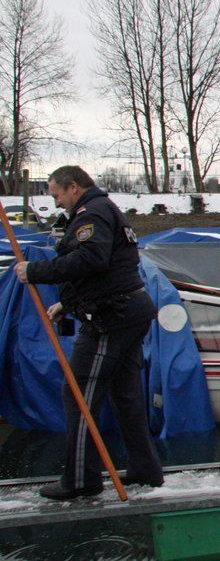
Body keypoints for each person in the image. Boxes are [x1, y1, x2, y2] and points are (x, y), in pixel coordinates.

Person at [13, 166, 163, 499]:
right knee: (125, 395)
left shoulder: (91, 213)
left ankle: (81, 480)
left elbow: (91, 259)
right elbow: (109, 271)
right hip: (128, 310)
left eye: (56, 195)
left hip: (110, 318)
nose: (56, 202)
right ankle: (145, 469)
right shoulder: (104, 209)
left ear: (73, 187)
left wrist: (35, 270)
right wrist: (67, 304)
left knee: (78, 394)